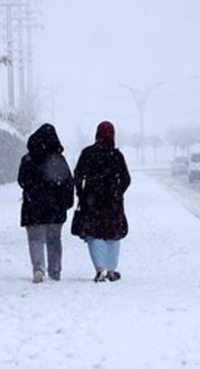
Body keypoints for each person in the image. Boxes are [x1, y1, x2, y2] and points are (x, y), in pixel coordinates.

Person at [72, 121, 131, 283]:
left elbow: (77, 175)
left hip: (91, 202)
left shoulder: (87, 153)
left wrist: (81, 193)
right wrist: (118, 193)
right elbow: (126, 178)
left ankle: (100, 268)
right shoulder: (117, 156)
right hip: (113, 204)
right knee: (113, 235)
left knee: (94, 234)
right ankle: (111, 270)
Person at [17, 123, 74, 283]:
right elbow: (69, 183)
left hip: (33, 206)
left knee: (35, 239)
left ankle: (38, 268)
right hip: (55, 208)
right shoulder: (59, 160)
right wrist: (66, 203)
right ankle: (55, 270)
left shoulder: (28, 159)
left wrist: (33, 190)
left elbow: (22, 180)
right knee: (54, 239)